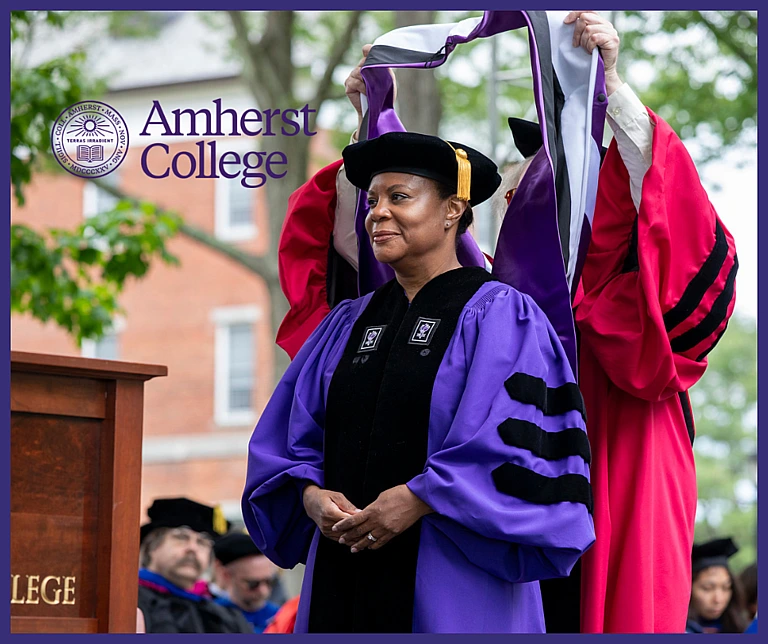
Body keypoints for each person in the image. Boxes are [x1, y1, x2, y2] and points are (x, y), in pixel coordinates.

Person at [269, 10, 738, 634]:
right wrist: (375, 120)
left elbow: (676, 233)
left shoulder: (618, 298)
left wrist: (613, 93)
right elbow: (405, 251)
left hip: (612, 461)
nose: (518, 204)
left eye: (537, 193)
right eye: (517, 195)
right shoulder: (485, 301)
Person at [242, 130, 595, 633]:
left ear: (453, 209)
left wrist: (420, 497)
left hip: (456, 570)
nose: (377, 213)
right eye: (373, 200)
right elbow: (290, 436)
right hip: (342, 569)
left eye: (399, 197)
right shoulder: (346, 324)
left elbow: (518, 446)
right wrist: (308, 494)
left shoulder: (502, 316)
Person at [137, 497, 252, 633]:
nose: (193, 548)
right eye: (181, 537)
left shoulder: (226, 617)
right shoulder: (130, 602)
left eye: (202, 542)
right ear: (152, 547)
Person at [212, 531, 280, 632]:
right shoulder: (212, 617)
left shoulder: (280, 615)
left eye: (269, 582)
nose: (263, 591)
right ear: (226, 575)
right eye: (253, 584)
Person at [686, 537, 748, 633]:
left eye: (726, 588)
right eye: (707, 588)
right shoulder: (679, 630)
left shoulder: (742, 628)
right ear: (689, 588)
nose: (718, 599)